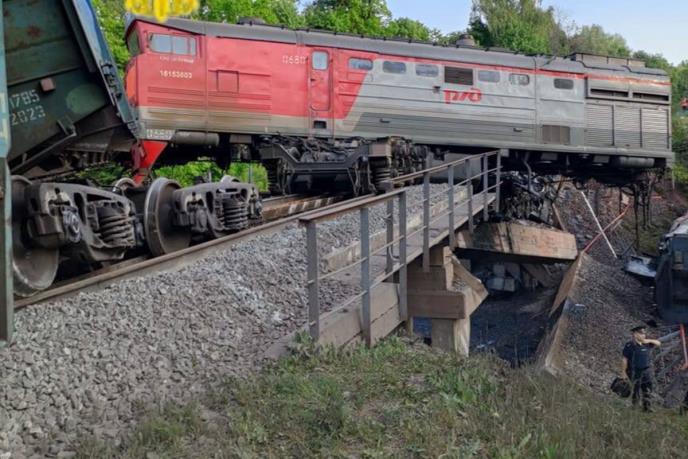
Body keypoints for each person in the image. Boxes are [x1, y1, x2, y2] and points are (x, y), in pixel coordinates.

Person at [621, 325, 661, 412]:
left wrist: (648, 340)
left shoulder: (647, 344)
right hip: (634, 371)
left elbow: (658, 343)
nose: (644, 335)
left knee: (648, 388)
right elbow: (624, 359)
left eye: (644, 333)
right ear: (635, 334)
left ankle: (647, 407)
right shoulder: (629, 345)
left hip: (646, 370)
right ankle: (634, 407)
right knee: (636, 389)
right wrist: (623, 372)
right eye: (641, 333)